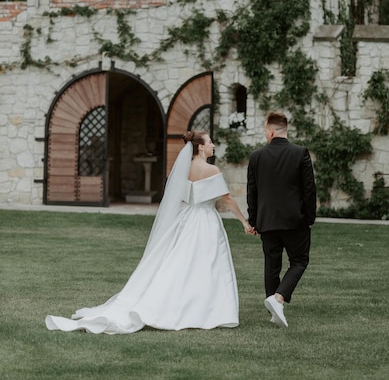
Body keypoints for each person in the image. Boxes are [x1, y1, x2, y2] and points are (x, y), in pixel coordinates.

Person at [46, 130, 253, 334]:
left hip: (187, 219)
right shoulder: (212, 171)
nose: (213, 145)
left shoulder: (184, 169)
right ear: (200, 147)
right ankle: (205, 309)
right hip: (205, 221)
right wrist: (244, 221)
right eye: (210, 142)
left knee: (182, 263)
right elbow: (226, 198)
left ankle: (187, 305)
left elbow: (179, 198)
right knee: (206, 264)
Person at [247, 111, 316, 328]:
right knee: (299, 261)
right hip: (295, 219)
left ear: (271, 131)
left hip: (267, 220)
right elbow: (309, 190)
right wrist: (310, 217)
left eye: (265, 130)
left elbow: (252, 192)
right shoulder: (300, 153)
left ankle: (274, 308)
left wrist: (254, 220)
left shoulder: (256, 156)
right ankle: (277, 299)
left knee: (272, 265)